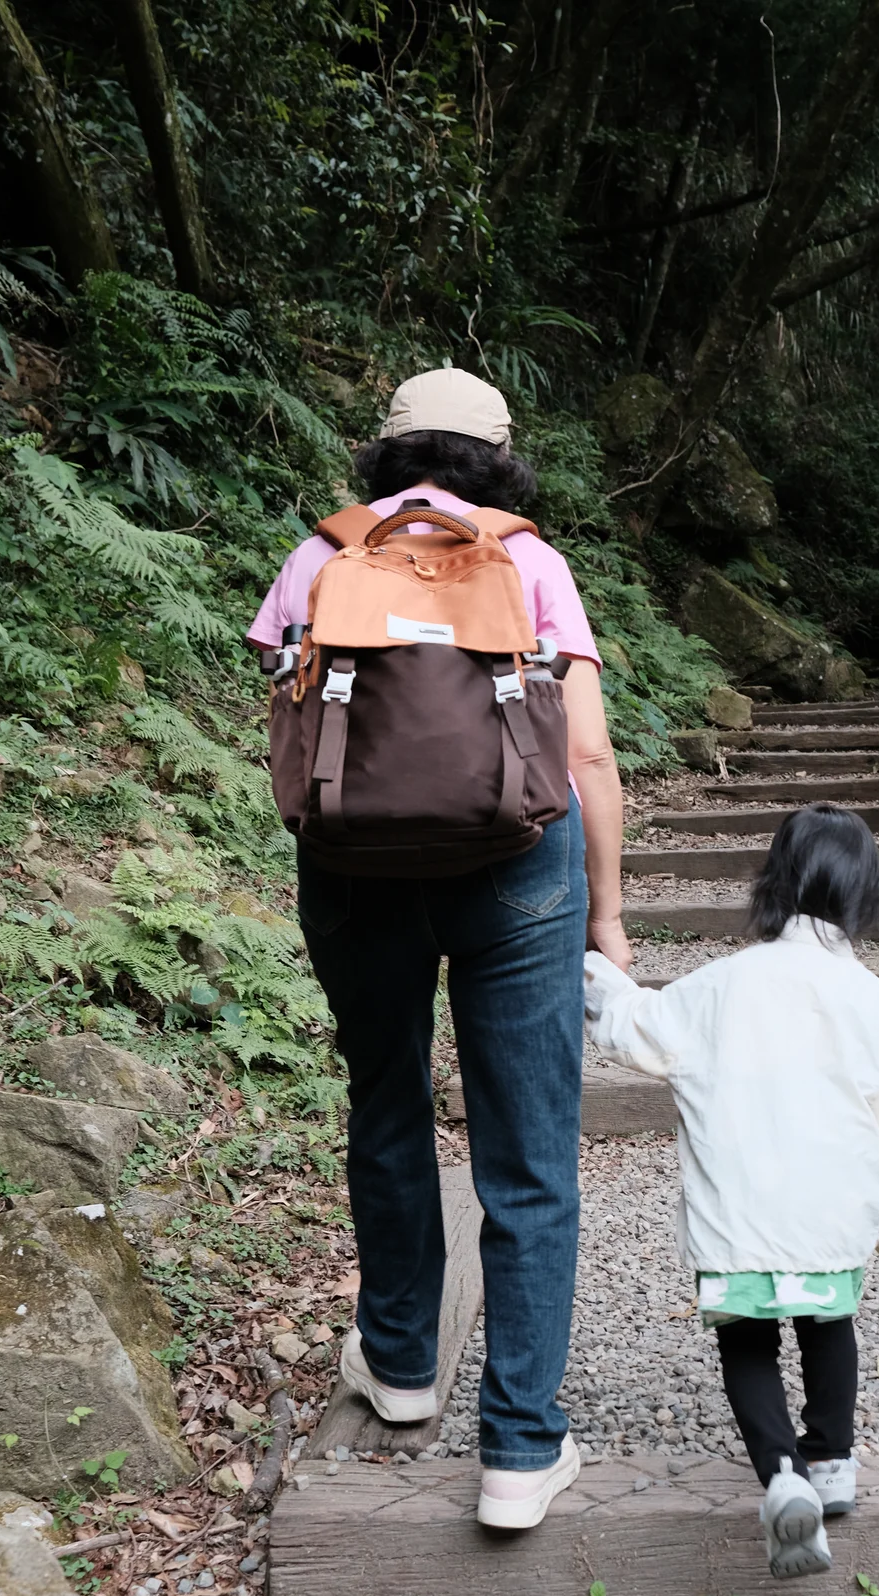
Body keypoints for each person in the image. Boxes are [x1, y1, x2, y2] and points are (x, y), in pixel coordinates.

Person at [249, 368, 631, 1530]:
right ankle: (519, 1449)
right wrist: (607, 913)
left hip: (354, 865)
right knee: (527, 1149)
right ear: (501, 456)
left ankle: (403, 1368)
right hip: (515, 865)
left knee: (388, 1102)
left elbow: (286, 708)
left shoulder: (325, 553)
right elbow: (589, 755)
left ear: (386, 448)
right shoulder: (529, 561)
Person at [583, 805, 879, 1579]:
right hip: (832, 1210)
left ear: (774, 881)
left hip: (738, 1215)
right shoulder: (871, 998)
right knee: (827, 1322)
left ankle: (780, 1474)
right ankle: (832, 1463)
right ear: (860, 893)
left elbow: (636, 1025)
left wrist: (592, 966)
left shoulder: (719, 987)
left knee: (747, 1338)